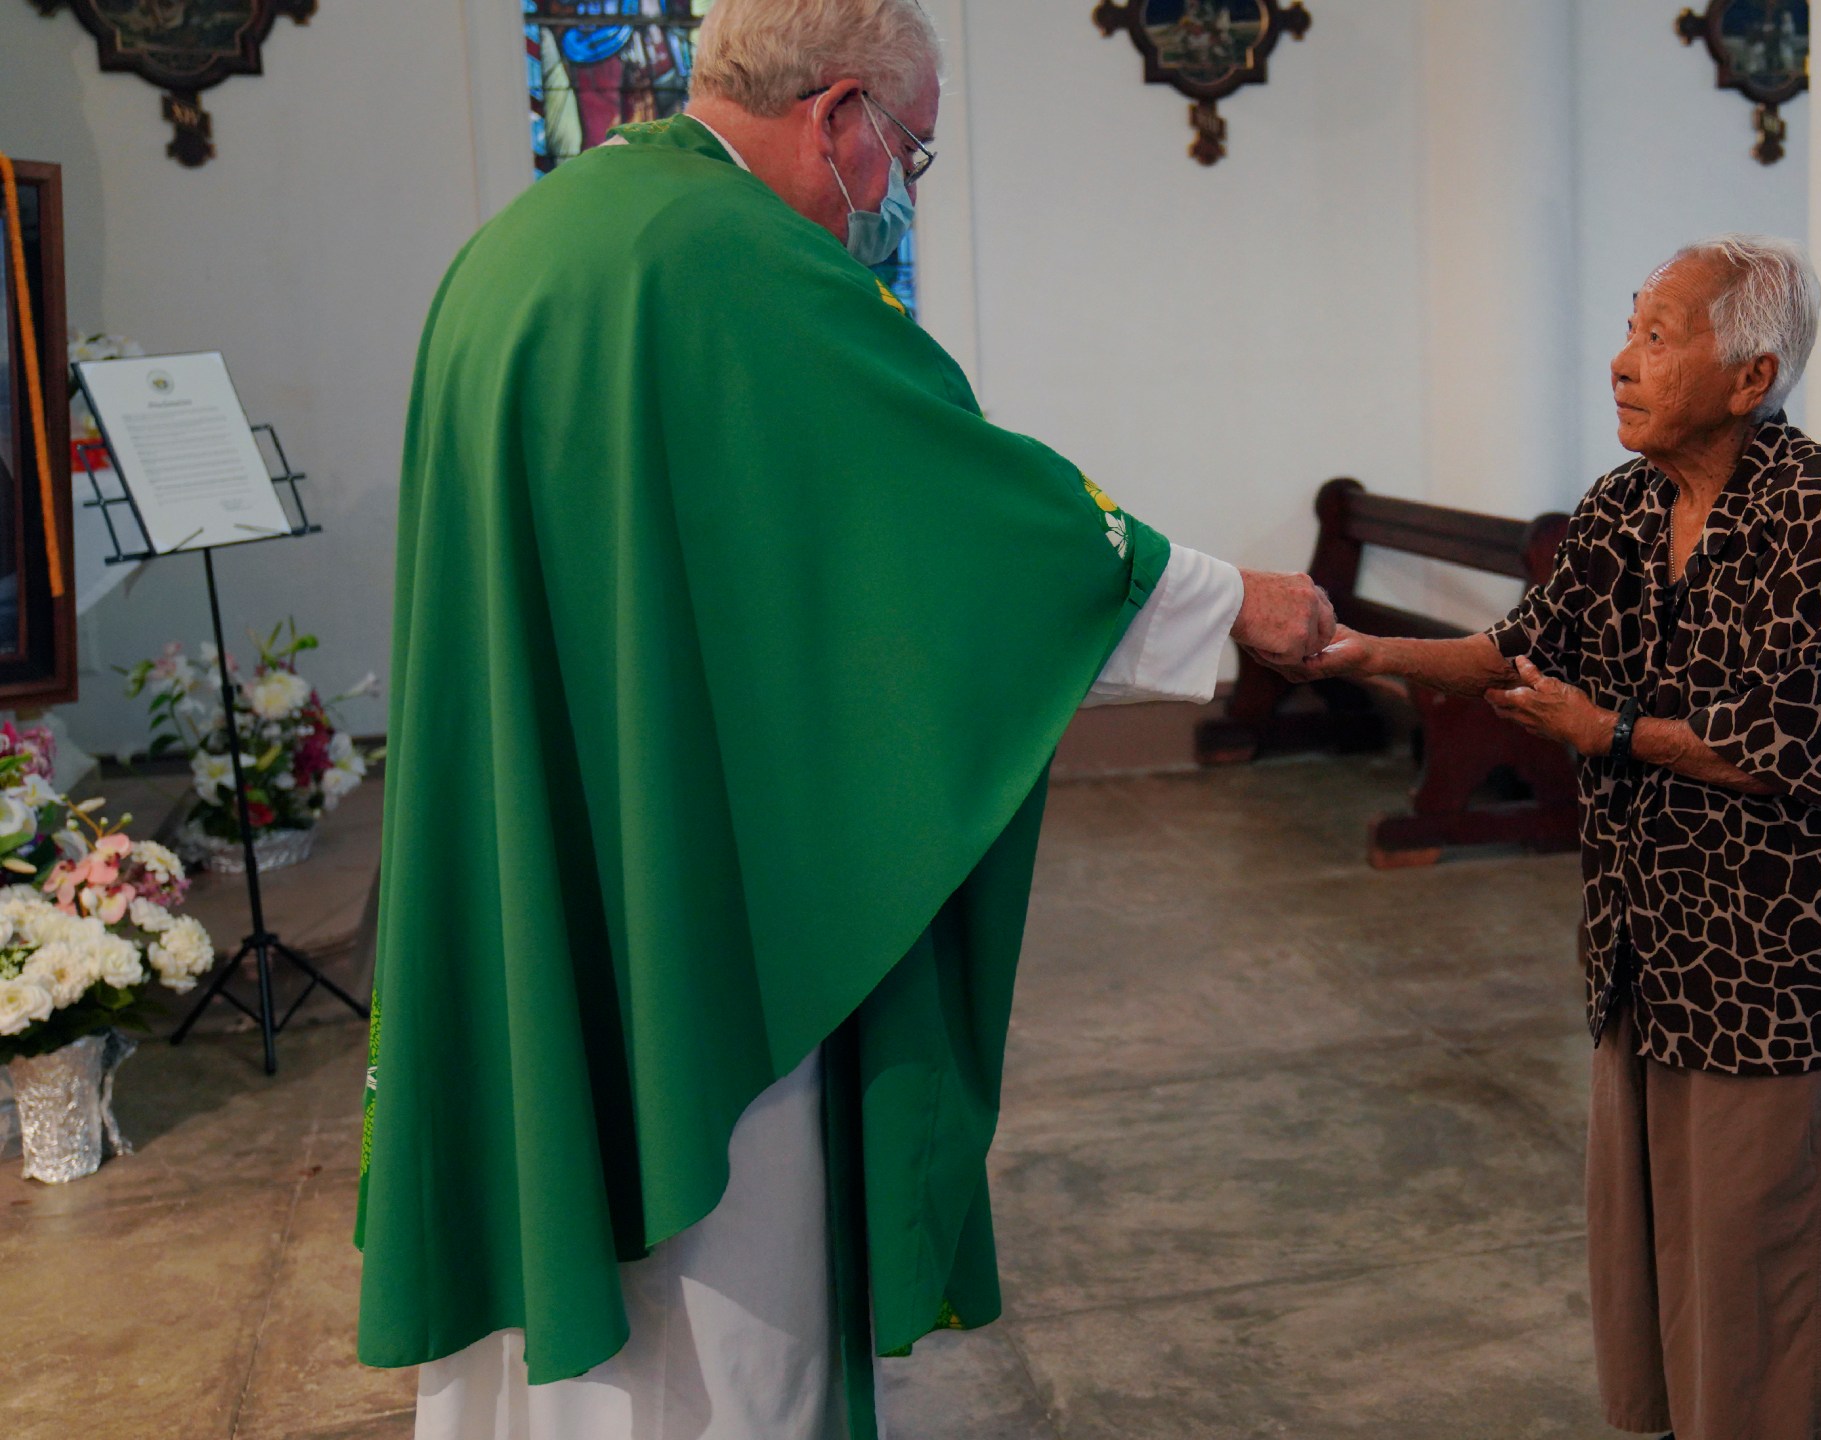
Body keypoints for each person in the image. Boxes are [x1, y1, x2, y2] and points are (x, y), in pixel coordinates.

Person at [354, 1, 1334, 1436]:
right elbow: (956, 526)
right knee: (718, 1330)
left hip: (549, 852)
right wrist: (1223, 596)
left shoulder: (526, 249)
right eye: (906, 152)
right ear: (835, 115)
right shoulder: (743, 266)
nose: (890, 195)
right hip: (699, 903)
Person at [1302, 235, 1821, 1440]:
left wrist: (1606, 728)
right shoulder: (1627, 505)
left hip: (1785, 968)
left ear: (1750, 377)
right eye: (1629, 330)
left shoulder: (1816, 510)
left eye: (1656, 337)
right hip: (1654, 951)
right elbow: (1514, 650)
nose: (1620, 364)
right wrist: (1366, 653)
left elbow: (1778, 742)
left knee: (1764, 1271)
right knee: (1663, 1254)